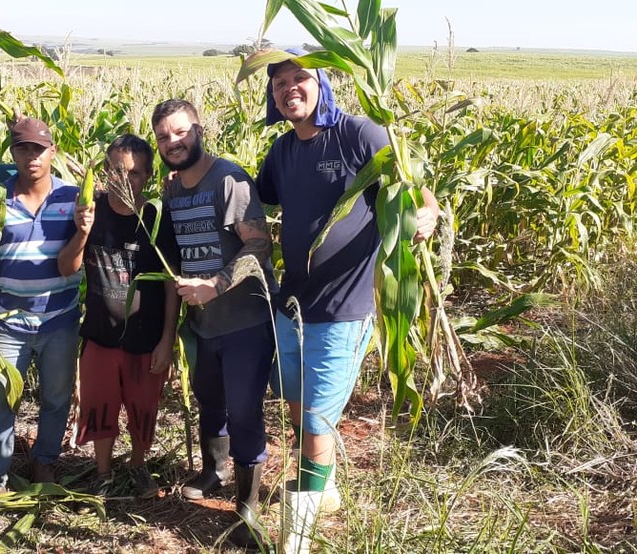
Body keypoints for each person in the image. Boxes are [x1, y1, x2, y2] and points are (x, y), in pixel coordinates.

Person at [255, 51, 439, 545]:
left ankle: (296, 536)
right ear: (272, 97)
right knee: (296, 402)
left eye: (300, 79)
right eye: (279, 84)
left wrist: (428, 214)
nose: (289, 89)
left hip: (344, 305)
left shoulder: (359, 133)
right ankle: (327, 488)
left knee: (315, 422)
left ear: (322, 84)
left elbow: (415, 185)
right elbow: (261, 201)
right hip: (293, 304)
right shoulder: (282, 152)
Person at [151, 99, 276, 548]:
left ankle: (247, 511)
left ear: (198, 129)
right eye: (164, 136)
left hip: (242, 319)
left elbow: (259, 244)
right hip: (202, 324)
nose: (173, 142)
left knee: (244, 411)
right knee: (210, 399)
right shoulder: (174, 190)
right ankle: (213, 471)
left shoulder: (229, 178)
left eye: (181, 132)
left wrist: (216, 285)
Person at [0, 117, 94, 495]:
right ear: (12, 153)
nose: (31, 156)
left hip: (60, 317)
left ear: (52, 152)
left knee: (56, 396)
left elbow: (72, 264)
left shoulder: (72, 198)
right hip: (8, 321)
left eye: (39, 149)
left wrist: (83, 231)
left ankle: (45, 461)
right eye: (23, 148)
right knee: (0, 400)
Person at [75, 134, 181, 499]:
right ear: (105, 172)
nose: (125, 179)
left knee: (143, 409)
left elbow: (170, 283)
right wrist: (81, 230)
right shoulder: (91, 210)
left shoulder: (156, 218)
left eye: (134, 173)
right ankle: (103, 473)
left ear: (148, 177)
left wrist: (167, 339)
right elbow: (68, 264)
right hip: (100, 335)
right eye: (117, 170)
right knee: (98, 407)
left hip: (145, 339)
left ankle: (138, 465)